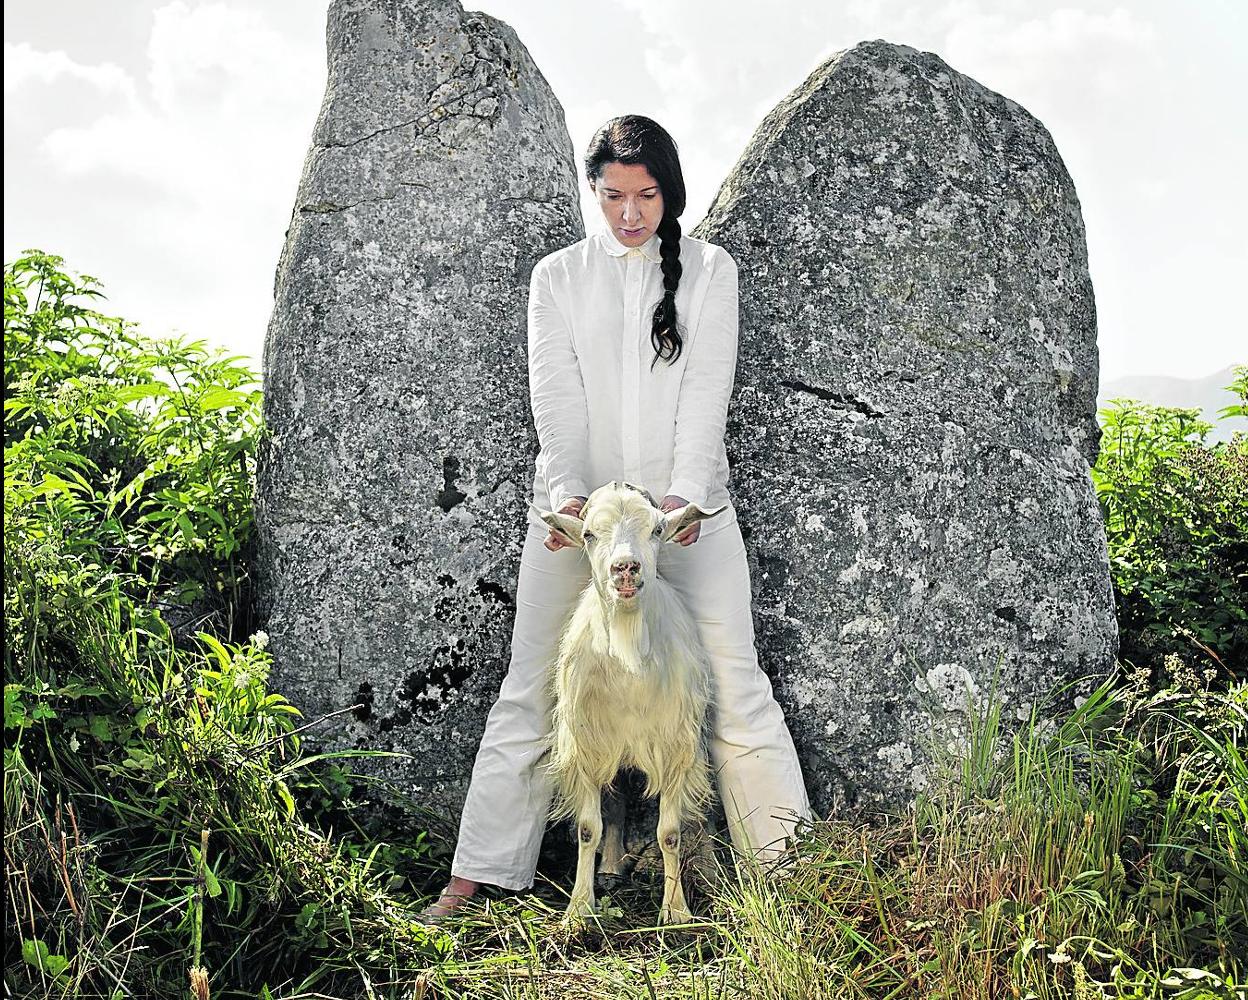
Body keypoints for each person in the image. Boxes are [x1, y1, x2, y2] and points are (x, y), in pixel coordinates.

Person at [421, 115, 812, 922]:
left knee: (736, 684)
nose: (630, 214)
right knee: (531, 685)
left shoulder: (710, 271)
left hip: (688, 522)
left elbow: (708, 393)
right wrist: (568, 499)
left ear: (668, 191)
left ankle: (791, 878)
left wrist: (688, 496)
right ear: (593, 192)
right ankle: (480, 875)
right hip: (578, 528)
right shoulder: (557, 278)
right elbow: (555, 399)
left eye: (647, 195)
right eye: (613, 196)